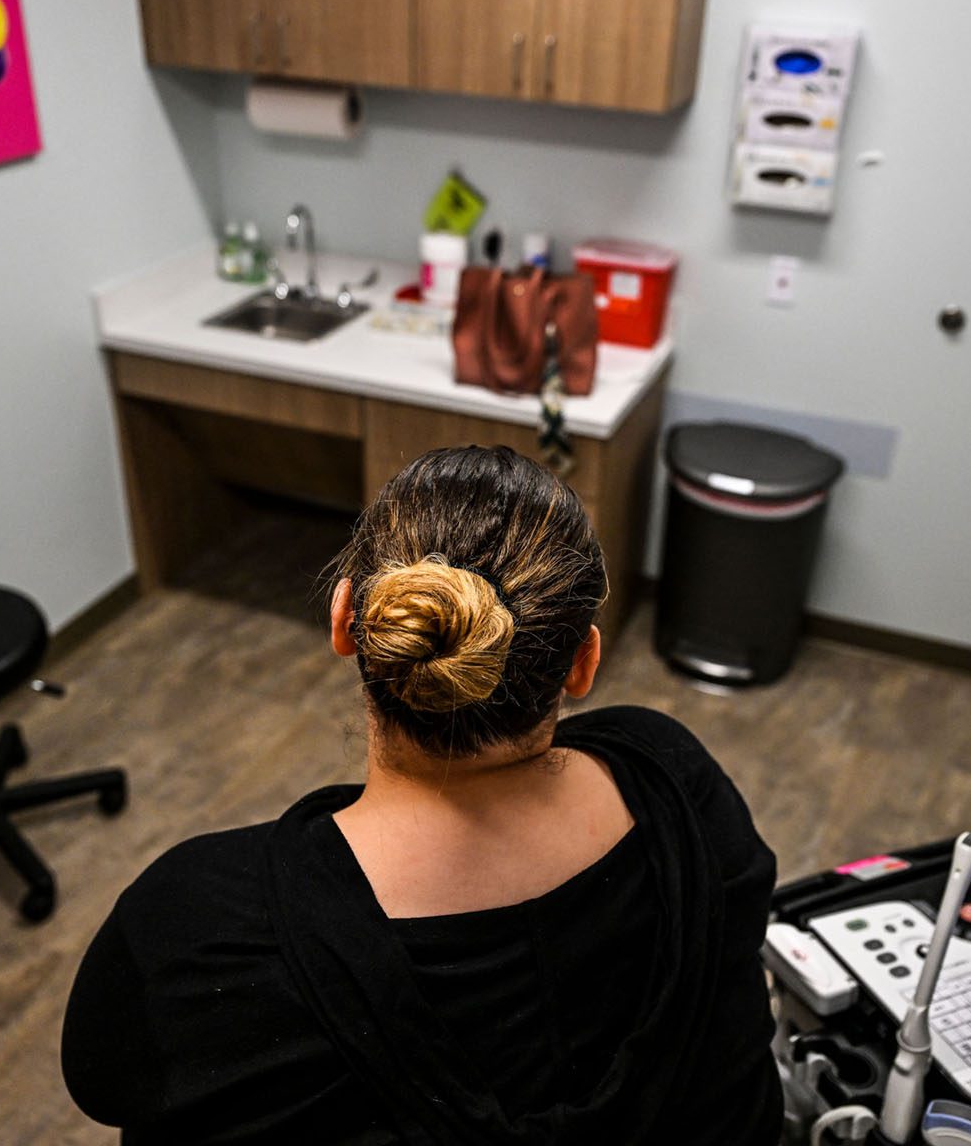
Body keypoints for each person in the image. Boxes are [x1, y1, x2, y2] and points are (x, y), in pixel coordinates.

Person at [62, 446, 782, 1144]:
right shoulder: (673, 780)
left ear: (347, 621)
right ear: (583, 663)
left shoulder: (196, 928)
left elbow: (104, 1082)